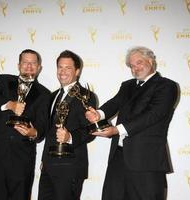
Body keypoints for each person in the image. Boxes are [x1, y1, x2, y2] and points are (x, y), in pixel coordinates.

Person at [85, 46, 179, 200]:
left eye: (139, 63)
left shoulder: (167, 86)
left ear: (150, 61)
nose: (135, 68)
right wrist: (98, 113)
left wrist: (117, 130)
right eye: (131, 66)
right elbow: (113, 104)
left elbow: (153, 115)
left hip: (147, 161)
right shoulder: (127, 85)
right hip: (119, 157)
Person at [0, 49, 51, 200]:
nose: (29, 66)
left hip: (22, 159)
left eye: (33, 63)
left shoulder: (45, 94)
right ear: (18, 65)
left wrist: (33, 132)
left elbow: (42, 128)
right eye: (25, 62)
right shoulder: (5, 80)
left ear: (39, 67)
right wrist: (9, 104)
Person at [37, 50, 97, 200]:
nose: (63, 72)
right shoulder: (52, 96)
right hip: (48, 167)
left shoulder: (86, 96)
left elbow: (91, 130)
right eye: (60, 67)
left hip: (71, 166)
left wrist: (70, 136)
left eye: (68, 68)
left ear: (77, 71)